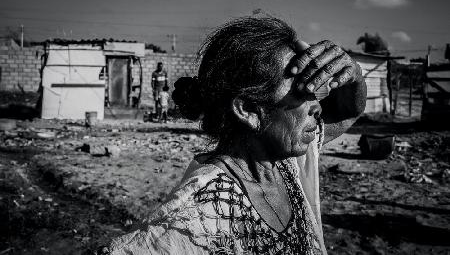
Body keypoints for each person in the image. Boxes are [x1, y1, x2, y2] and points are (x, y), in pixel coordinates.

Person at [104, 17, 366, 254]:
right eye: (300, 93)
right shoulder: (196, 217)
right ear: (249, 110)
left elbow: (347, 111)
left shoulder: (288, 160)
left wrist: (353, 73)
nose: (317, 106)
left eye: (314, 92)